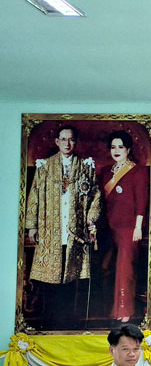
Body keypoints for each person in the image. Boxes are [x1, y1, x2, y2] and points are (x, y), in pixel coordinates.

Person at [23, 124, 101, 329]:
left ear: (76, 142)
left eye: (71, 139)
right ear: (57, 142)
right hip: (51, 229)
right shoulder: (45, 167)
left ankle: (68, 323)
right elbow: (33, 198)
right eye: (63, 139)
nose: (67, 143)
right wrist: (32, 226)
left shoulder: (85, 167)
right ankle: (49, 322)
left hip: (75, 231)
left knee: (70, 278)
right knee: (50, 278)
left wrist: (91, 220)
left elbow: (96, 196)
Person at [99, 130, 148, 322]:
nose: (116, 150)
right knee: (106, 267)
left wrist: (138, 227)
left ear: (128, 149)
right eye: (113, 147)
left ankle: (124, 311)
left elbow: (141, 202)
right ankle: (112, 309)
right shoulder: (105, 172)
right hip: (108, 228)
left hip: (129, 228)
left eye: (120, 147)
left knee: (125, 268)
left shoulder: (138, 171)